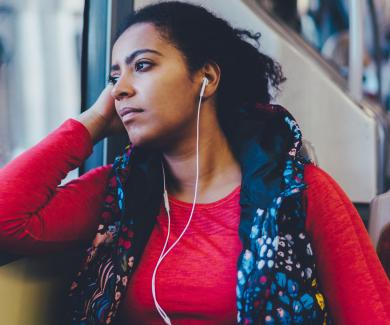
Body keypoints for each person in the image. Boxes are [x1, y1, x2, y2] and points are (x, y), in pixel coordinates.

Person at [0, 2, 389, 324]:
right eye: (114, 76)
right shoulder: (118, 195)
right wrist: (91, 123)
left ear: (206, 77)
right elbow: (7, 217)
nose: (120, 88)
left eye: (144, 65)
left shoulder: (303, 195)